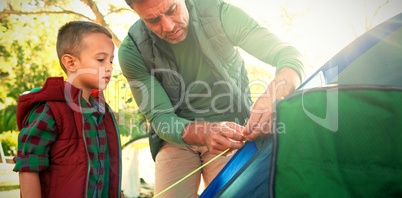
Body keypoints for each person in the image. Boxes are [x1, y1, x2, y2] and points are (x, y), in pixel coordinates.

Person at [119, 0, 306, 196]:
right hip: (175, 136)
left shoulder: (220, 14)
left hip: (232, 131)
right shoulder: (132, 50)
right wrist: (204, 133)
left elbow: (290, 56)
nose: (169, 26)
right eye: (152, 20)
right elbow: (161, 118)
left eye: (172, 10)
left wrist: (272, 96)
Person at [13, 21, 122, 198]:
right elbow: (28, 166)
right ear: (71, 63)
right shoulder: (49, 110)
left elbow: (101, 167)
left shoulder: (102, 112)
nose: (109, 67)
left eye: (111, 60)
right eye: (101, 59)